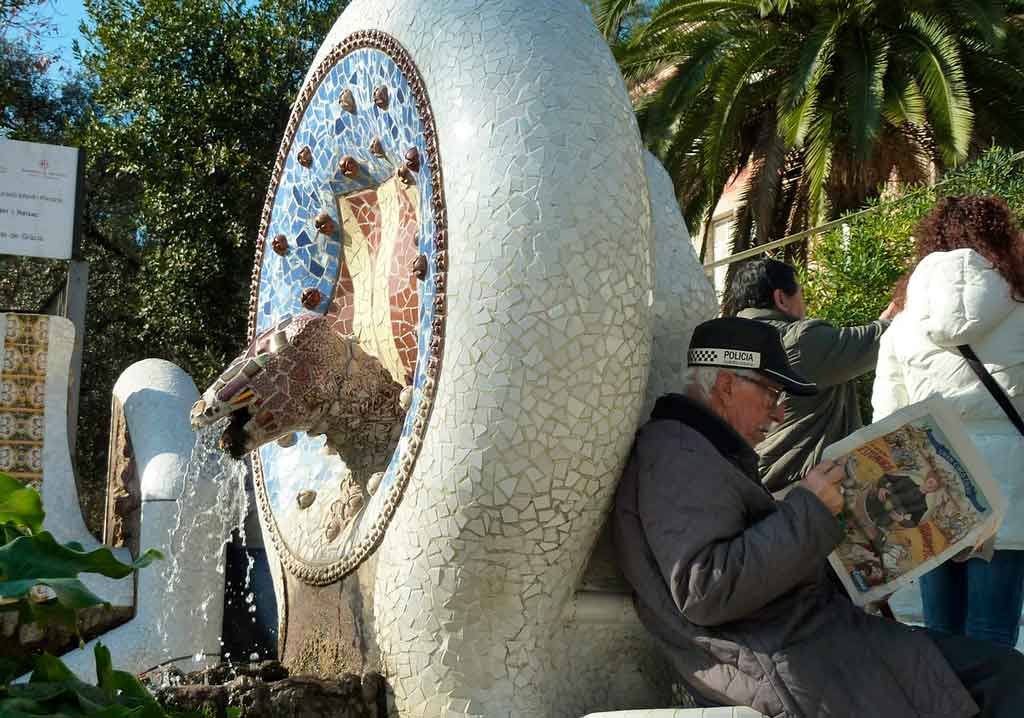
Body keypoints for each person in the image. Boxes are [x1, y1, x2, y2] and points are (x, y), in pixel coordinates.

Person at [613, 316, 1024, 717]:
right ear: (725, 386)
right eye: (771, 395)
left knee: (1001, 675)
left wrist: (880, 566)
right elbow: (706, 588)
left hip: (807, 646)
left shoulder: (701, 451)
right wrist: (808, 507)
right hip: (790, 665)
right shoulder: (678, 456)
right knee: (1003, 678)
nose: (778, 414)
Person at [872, 195, 1024, 648]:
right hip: (1008, 500)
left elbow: (888, 422)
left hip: (932, 495)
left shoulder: (903, 326)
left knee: (939, 637)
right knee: (994, 637)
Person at [725, 258, 896, 492]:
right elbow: (880, 341)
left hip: (754, 495)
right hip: (808, 494)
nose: (804, 305)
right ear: (782, 299)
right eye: (800, 294)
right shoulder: (798, 342)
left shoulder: (724, 352)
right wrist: (899, 312)